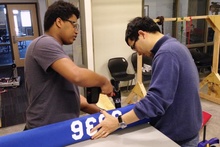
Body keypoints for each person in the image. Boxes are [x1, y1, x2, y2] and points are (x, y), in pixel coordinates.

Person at [91, 16, 202, 147]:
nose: (138, 53)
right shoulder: (176, 46)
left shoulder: (166, 53)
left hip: (176, 138)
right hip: (187, 130)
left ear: (142, 34)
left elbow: (156, 102)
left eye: (134, 47)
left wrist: (118, 122)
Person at [24, 1, 113, 130]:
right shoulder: (44, 43)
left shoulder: (56, 52)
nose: (76, 31)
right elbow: (77, 75)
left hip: (62, 127)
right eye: (74, 25)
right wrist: (104, 82)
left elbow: (78, 100)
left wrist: (106, 115)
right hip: (46, 130)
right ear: (59, 22)